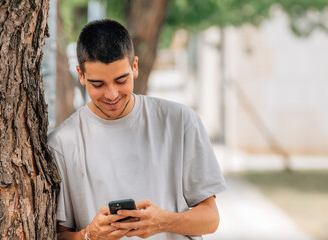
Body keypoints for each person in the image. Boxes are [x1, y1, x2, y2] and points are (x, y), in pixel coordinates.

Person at [48, 19, 226, 240]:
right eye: (98, 84)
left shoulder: (181, 121)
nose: (111, 94)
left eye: (121, 80)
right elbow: (57, 235)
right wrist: (89, 235)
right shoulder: (61, 143)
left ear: (135, 67)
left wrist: (163, 222)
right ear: (81, 75)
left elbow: (210, 219)